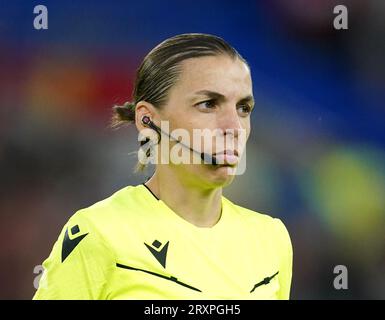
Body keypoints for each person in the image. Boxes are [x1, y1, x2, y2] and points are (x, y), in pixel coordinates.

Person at [33, 33, 293, 300]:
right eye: (208, 104)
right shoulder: (98, 233)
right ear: (148, 121)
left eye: (243, 108)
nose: (234, 127)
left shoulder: (271, 238)